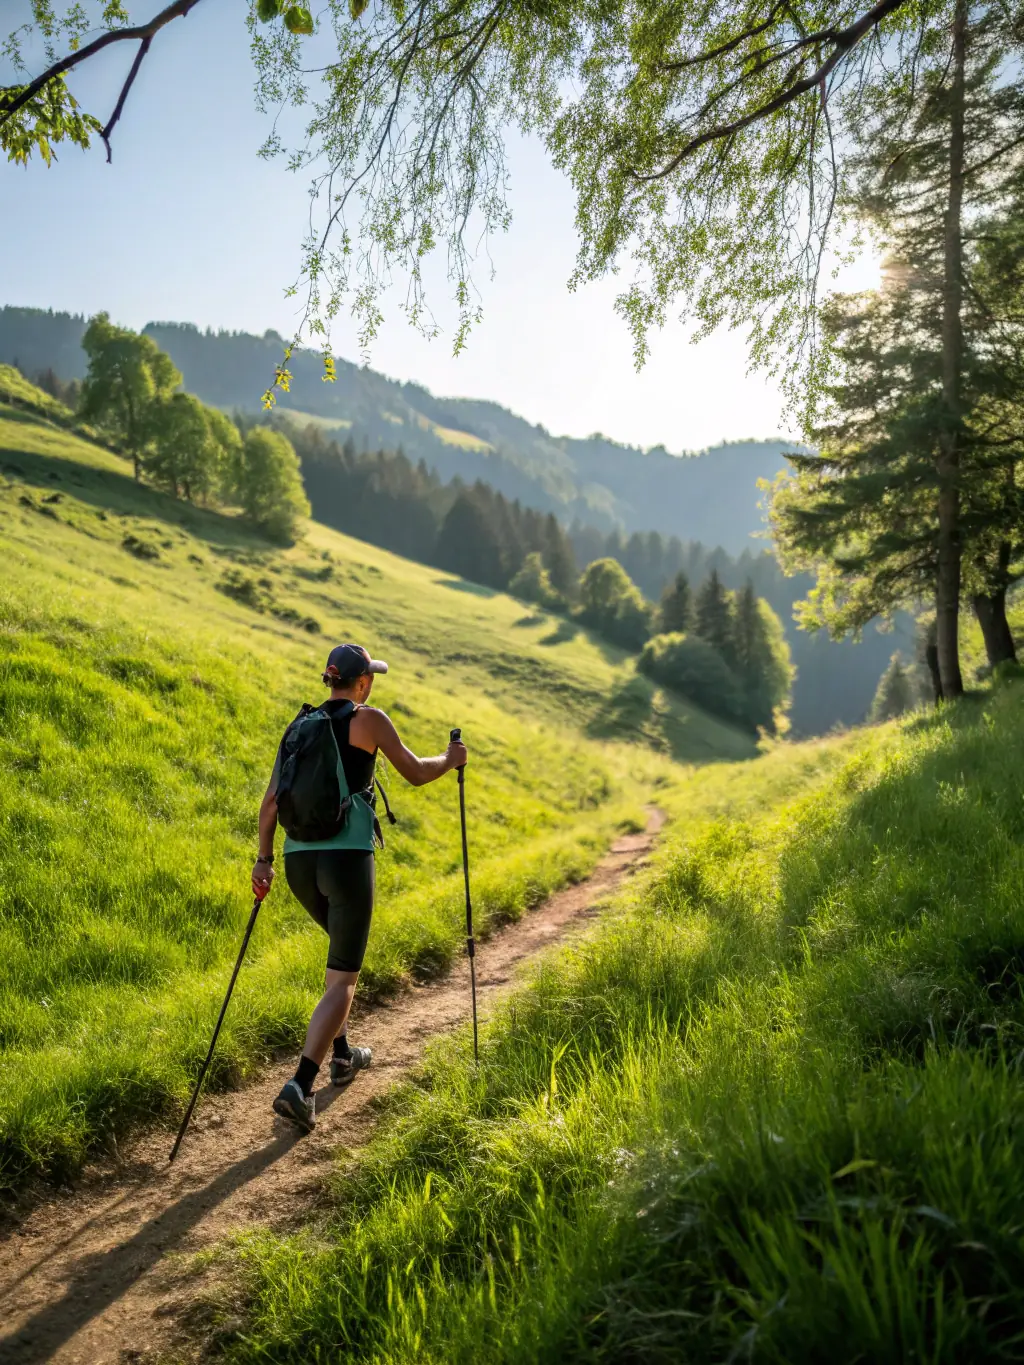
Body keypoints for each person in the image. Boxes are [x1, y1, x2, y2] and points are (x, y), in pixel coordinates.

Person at [253, 642, 468, 1132]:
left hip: (295, 861)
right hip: (346, 859)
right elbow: (415, 773)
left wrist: (262, 862)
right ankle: (300, 1086)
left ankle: (344, 1056)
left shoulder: (297, 727)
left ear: (330, 680)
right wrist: (451, 759)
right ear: (363, 682)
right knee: (346, 977)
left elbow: (270, 804)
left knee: (337, 958)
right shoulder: (368, 720)